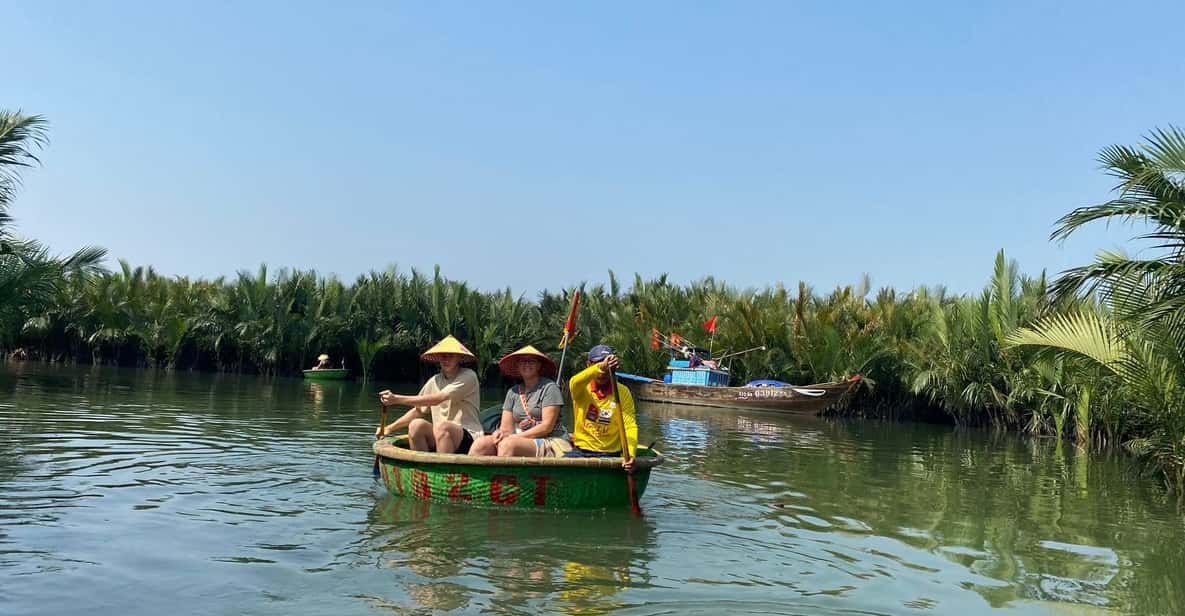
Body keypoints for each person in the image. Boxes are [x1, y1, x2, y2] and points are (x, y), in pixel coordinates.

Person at [374, 335, 483, 454]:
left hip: (468, 438)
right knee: (416, 425)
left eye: (451, 355)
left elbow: (439, 398)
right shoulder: (435, 380)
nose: (446, 359)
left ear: (459, 357)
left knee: (443, 427)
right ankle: (421, 468)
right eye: (443, 356)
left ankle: (442, 468)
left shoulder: (468, 376)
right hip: (440, 435)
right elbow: (418, 411)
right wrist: (389, 428)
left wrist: (396, 399)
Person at [469, 345, 570, 457]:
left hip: (550, 440)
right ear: (518, 366)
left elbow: (546, 427)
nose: (527, 364)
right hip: (519, 438)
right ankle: (473, 475)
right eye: (523, 362)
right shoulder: (513, 392)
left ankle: (504, 475)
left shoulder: (550, 388)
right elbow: (506, 428)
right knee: (480, 444)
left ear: (539, 365)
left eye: (531, 361)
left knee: (507, 445)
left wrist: (515, 437)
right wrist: (500, 433)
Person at [565, 344, 637, 472]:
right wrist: (601, 367)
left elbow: (629, 425)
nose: (603, 372)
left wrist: (630, 454)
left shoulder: (622, 392)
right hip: (582, 451)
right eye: (597, 363)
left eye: (607, 366)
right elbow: (574, 382)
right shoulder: (581, 388)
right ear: (588, 364)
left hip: (610, 454)